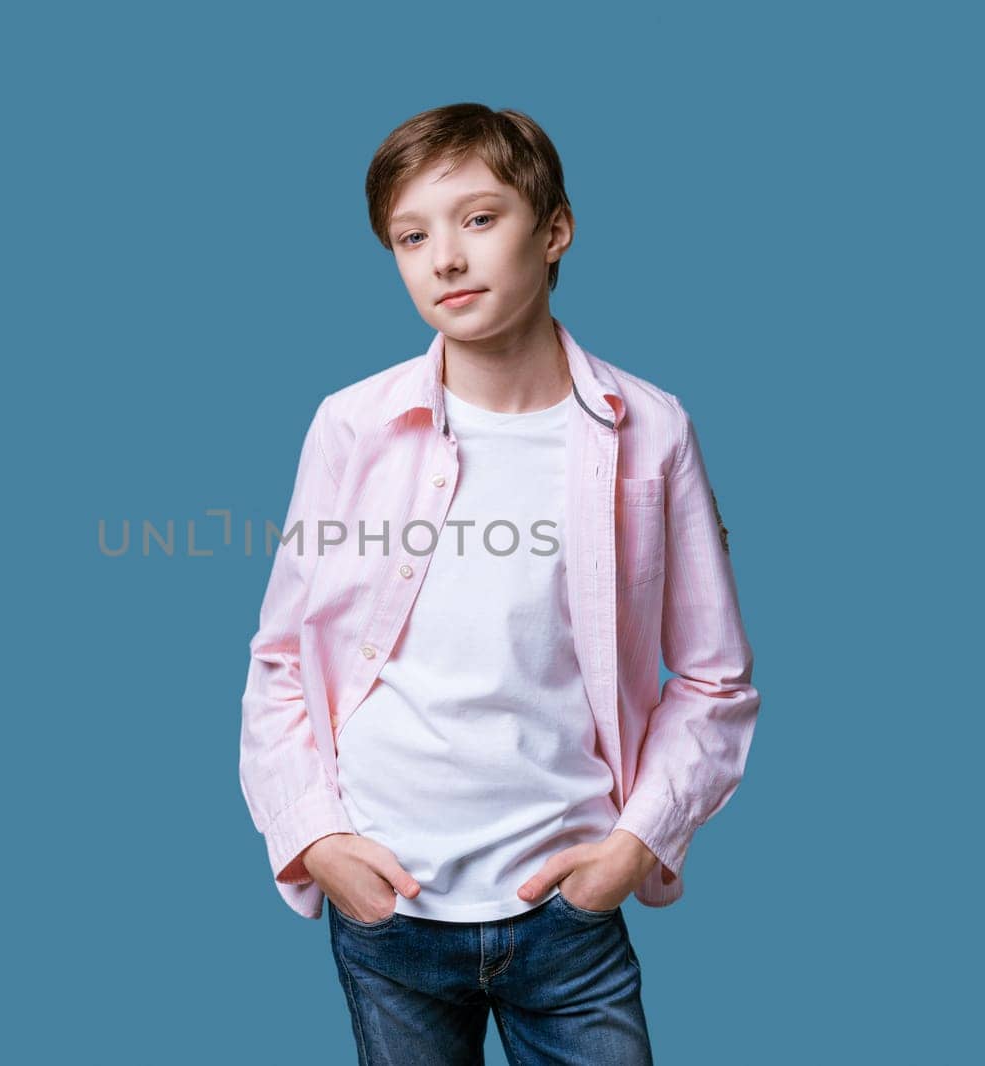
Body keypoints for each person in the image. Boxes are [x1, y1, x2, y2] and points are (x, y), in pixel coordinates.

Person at [237, 102, 760, 1064]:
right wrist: (316, 842)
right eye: (412, 235)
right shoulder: (351, 428)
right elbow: (281, 661)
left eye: (478, 219)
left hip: (567, 914)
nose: (445, 258)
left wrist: (635, 847)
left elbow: (715, 679)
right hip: (389, 911)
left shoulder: (650, 431)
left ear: (554, 228)